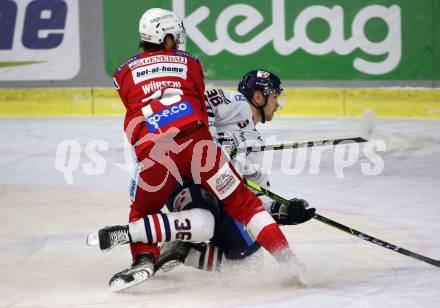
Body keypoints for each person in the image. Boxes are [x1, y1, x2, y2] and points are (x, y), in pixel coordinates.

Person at [99, 8, 300, 291]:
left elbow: (140, 108)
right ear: (168, 38)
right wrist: (218, 139)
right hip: (197, 150)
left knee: (146, 213)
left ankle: (153, 253)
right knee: (227, 211)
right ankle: (291, 262)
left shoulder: (123, 72)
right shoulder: (191, 64)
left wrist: (281, 210)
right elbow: (199, 104)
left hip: (154, 153)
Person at [155, 69, 316, 272]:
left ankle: (185, 252)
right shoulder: (237, 103)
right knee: (207, 215)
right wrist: (210, 142)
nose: (277, 105)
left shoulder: (255, 145)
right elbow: (197, 103)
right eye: (275, 97)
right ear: (259, 96)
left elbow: (254, 198)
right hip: (185, 181)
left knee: (248, 260)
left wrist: (284, 210)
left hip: (216, 195)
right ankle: (145, 235)